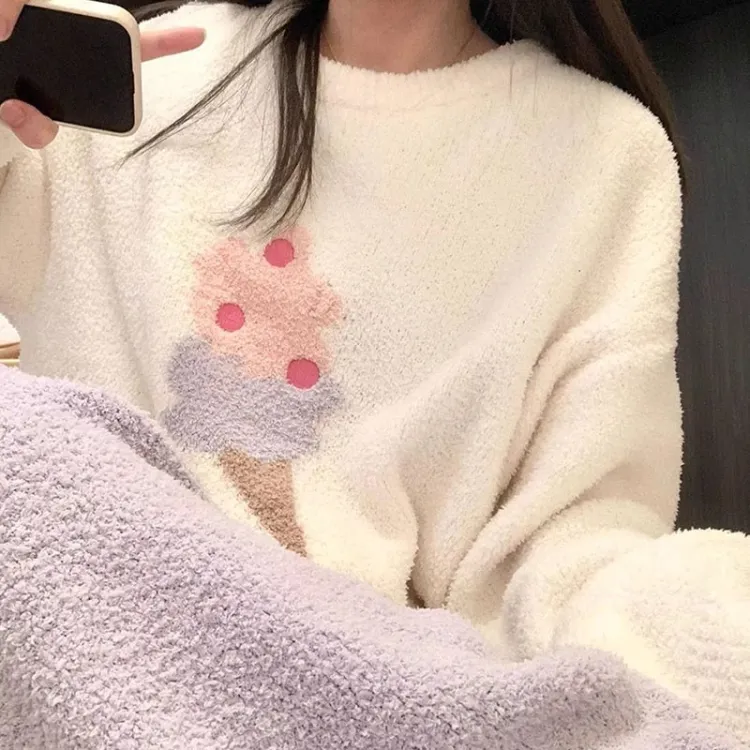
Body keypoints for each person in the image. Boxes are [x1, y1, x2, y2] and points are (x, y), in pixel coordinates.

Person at [1, 0, 749, 741]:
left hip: (397, 696)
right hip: (105, 665)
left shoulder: (606, 154)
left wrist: (685, 618)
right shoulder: (144, 77)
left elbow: (578, 535)